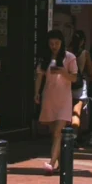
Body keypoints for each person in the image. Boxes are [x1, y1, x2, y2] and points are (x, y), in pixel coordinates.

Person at [34, 30, 77, 172]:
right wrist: (37, 93)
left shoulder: (69, 57)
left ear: (62, 43)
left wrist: (63, 72)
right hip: (49, 98)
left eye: (57, 43)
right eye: (51, 43)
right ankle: (62, 165)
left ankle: (51, 164)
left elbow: (75, 78)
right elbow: (39, 77)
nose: (54, 46)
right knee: (54, 133)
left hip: (64, 99)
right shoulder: (45, 58)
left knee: (58, 132)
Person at [68, 29, 90, 138]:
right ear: (82, 41)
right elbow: (90, 71)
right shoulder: (85, 53)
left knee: (67, 111)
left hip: (68, 82)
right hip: (80, 84)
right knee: (76, 112)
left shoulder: (67, 52)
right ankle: (74, 137)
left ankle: (65, 135)